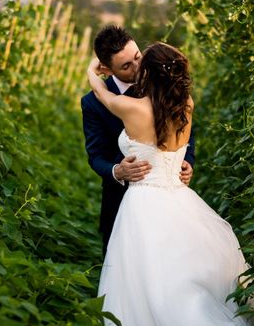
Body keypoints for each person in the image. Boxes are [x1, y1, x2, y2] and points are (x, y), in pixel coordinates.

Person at [87, 42, 250, 326]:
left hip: (143, 205)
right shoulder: (186, 105)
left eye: (141, 60)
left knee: (142, 285)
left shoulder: (133, 108)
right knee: (180, 279)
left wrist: (95, 71)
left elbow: (99, 91)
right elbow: (179, 148)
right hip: (179, 200)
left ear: (149, 72)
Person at [80, 25, 195, 256]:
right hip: (122, 201)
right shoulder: (92, 103)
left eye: (137, 57)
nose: (137, 67)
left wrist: (187, 161)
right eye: (126, 66)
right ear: (107, 70)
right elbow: (96, 156)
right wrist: (117, 171)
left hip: (170, 195)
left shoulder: (168, 87)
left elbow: (188, 133)